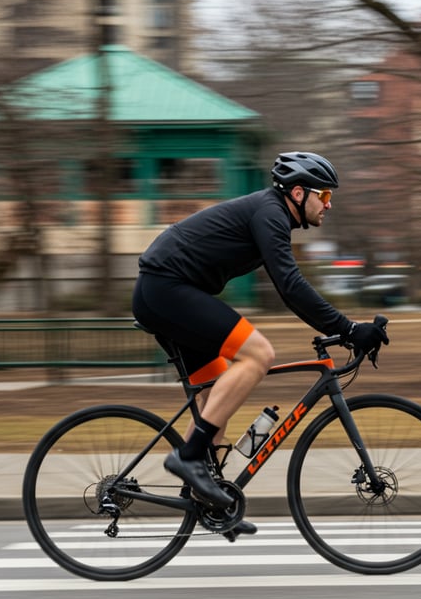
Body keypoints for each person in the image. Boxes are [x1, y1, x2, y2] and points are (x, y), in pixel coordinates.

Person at [132, 151, 389, 534]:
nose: (329, 205)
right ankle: (188, 459)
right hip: (166, 289)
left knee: (216, 397)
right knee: (259, 354)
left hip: (169, 291)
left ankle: (209, 500)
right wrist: (348, 329)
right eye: (326, 196)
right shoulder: (270, 214)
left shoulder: (271, 214)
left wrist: (343, 327)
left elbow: (290, 286)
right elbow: (290, 286)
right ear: (299, 194)